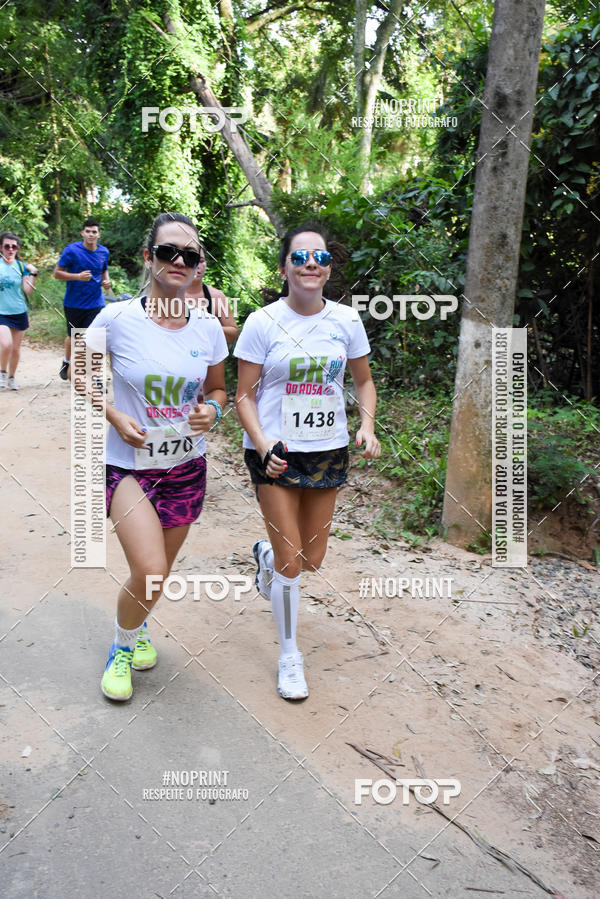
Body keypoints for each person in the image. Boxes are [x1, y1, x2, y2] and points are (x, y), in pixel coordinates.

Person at [83, 212, 228, 701]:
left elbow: (219, 389)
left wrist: (212, 409)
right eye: (169, 251)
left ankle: (138, 624)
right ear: (149, 258)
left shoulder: (207, 327)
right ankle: (122, 647)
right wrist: (111, 414)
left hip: (186, 467)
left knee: (158, 575)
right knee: (149, 570)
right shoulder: (117, 318)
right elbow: (79, 369)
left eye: (190, 255)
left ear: (198, 266)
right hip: (127, 464)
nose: (179, 261)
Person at [235, 222, 381, 700]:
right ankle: (290, 655)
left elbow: (363, 381)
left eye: (319, 257)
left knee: (311, 559)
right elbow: (243, 397)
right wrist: (261, 446)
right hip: (274, 455)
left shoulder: (346, 321)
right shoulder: (262, 322)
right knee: (292, 564)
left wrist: (367, 425)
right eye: (299, 258)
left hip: (328, 449)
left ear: (328, 268)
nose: (310, 264)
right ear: (284, 269)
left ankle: (264, 556)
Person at [54, 218, 111, 380]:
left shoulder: (103, 252)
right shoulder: (71, 250)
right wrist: (77, 276)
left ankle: (96, 376)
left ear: (98, 234)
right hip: (74, 302)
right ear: (82, 233)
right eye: (88, 231)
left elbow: (104, 270)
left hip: (96, 302)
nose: (91, 234)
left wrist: (106, 281)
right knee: (74, 337)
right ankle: (66, 362)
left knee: (96, 338)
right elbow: (57, 273)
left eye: (94, 231)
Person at [0, 231, 38, 390]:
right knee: (6, 344)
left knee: (15, 348)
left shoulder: (21, 266)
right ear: (1, 247)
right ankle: (2, 373)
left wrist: (34, 273)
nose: (10, 249)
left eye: (14, 246)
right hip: (1, 312)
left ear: (17, 249)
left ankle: (11, 378)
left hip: (18, 311)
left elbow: (28, 290)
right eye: (7, 246)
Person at [179, 243, 239, 343]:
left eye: (201, 261)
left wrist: (206, 326)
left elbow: (233, 333)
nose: (197, 266)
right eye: (191, 259)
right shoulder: (168, 294)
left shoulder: (216, 296)